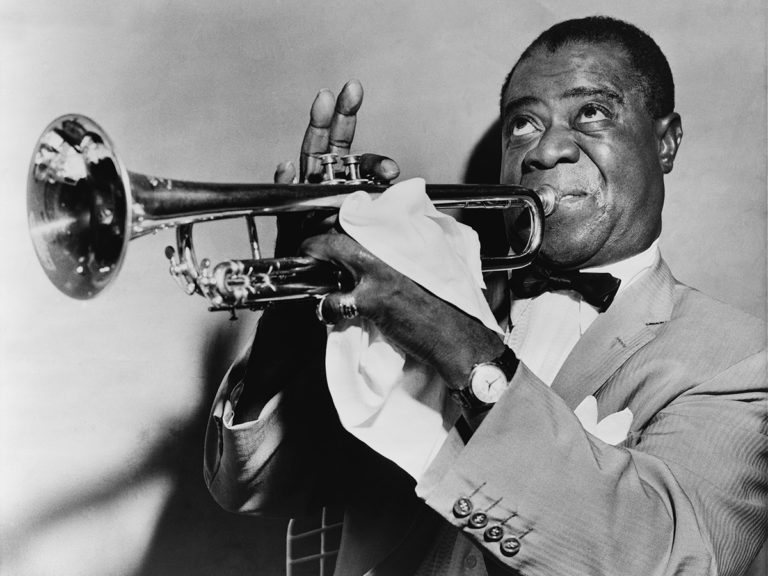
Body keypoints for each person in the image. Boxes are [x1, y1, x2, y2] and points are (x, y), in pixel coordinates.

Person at [203, 16, 767, 576]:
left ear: (665, 142)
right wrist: (291, 317)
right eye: (523, 123)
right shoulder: (427, 294)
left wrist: (459, 346)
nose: (545, 151)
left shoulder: (739, 360)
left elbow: (676, 561)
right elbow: (252, 487)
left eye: (591, 112)